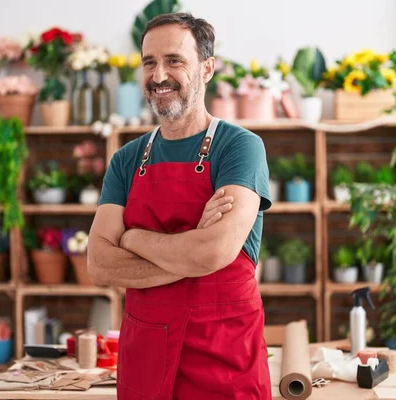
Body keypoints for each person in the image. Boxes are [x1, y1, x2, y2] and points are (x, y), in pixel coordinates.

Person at [87, 12, 272, 400]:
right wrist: (188, 255)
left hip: (223, 357)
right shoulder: (126, 159)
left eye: (174, 60)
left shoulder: (239, 147)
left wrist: (132, 238)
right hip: (145, 356)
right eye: (149, 62)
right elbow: (100, 264)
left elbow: (213, 251)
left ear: (207, 69)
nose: (158, 76)